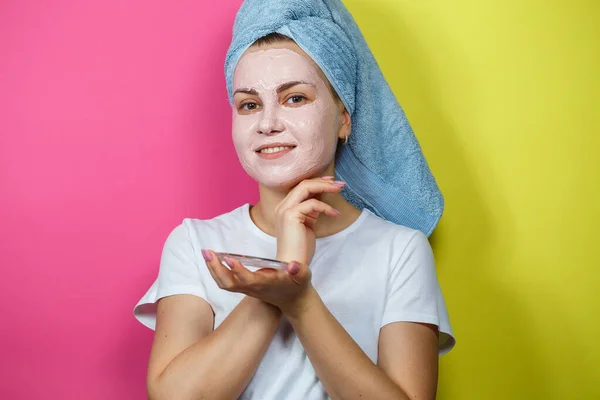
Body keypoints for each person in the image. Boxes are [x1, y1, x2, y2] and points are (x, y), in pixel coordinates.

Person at [134, 2, 455, 399]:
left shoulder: (400, 250)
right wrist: (276, 285)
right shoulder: (196, 244)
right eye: (249, 104)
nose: (268, 123)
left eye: (295, 98)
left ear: (344, 118)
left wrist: (299, 300)